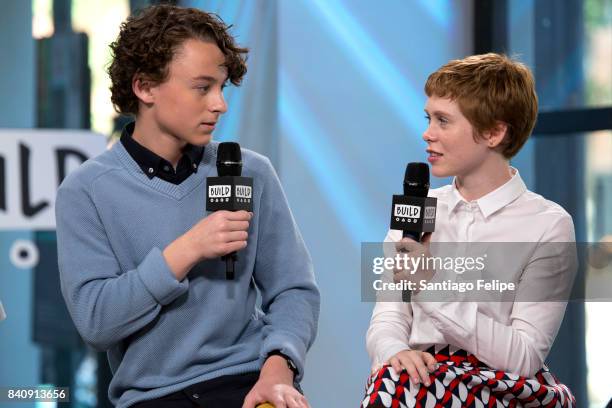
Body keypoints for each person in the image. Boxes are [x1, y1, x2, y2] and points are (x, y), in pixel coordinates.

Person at [55, 5, 319, 408]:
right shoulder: (86, 190)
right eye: (202, 87)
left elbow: (294, 290)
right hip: (153, 397)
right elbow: (96, 321)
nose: (219, 104)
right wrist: (188, 250)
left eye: (222, 88)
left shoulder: (252, 172)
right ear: (145, 88)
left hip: (249, 382)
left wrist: (279, 365)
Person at [362, 53, 576, 407]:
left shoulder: (548, 225)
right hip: (414, 383)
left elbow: (524, 358)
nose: (427, 133)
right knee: (393, 379)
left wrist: (430, 288)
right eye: (429, 118)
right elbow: (388, 317)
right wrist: (396, 350)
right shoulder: (418, 208)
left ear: (494, 132)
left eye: (443, 121)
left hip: (498, 386)